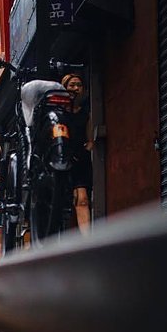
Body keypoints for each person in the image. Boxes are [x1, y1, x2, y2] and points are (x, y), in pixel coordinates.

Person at [61, 73, 93, 233]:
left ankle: (87, 242)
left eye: (79, 85)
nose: (75, 88)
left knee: (82, 200)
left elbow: (90, 139)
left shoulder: (85, 114)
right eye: (71, 85)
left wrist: (86, 149)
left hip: (80, 161)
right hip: (61, 161)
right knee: (64, 204)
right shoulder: (57, 114)